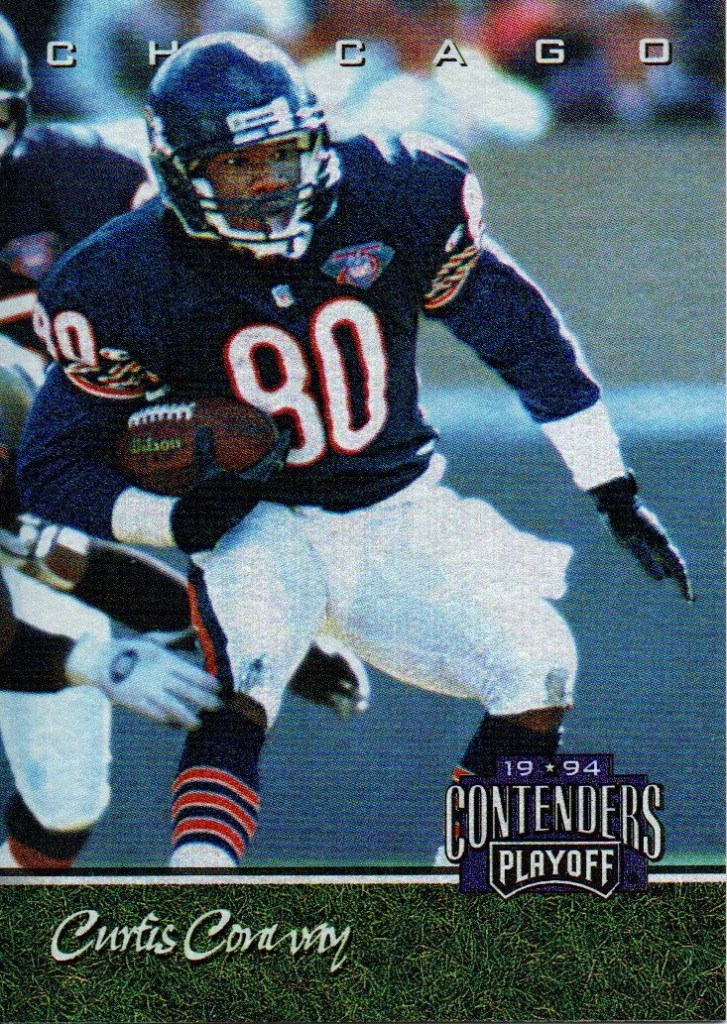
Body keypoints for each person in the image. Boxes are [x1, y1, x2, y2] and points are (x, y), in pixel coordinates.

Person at [18, 32, 692, 869]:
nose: (268, 181)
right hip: (259, 521)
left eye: (281, 153)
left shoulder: (396, 193)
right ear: (180, 173)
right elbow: (52, 469)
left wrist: (609, 482)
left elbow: (522, 336)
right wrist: (174, 520)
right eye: (238, 164)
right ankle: (197, 886)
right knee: (247, 671)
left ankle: (464, 892)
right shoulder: (120, 276)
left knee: (539, 663)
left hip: (397, 511)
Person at [0, 18, 365, 871]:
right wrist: (92, 659)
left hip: (47, 482)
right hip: (30, 490)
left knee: (66, 800)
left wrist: (235, 629)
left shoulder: (82, 182)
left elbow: (64, 552)